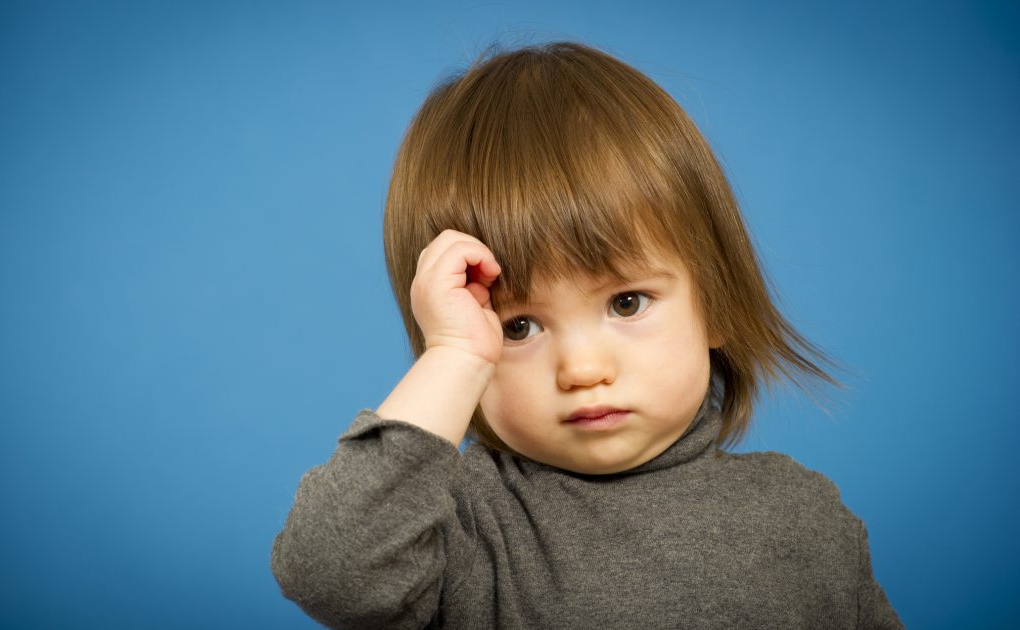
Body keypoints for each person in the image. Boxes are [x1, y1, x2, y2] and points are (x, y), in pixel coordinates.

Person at [271, 41, 903, 629]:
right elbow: (329, 574)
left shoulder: (805, 518)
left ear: (715, 302)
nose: (583, 368)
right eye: (517, 326)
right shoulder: (459, 529)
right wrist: (455, 357)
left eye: (627, 303)